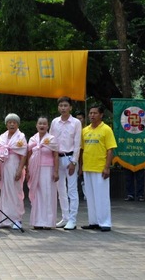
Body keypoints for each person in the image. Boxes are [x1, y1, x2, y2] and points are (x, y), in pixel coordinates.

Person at [80, 104, 117, 232]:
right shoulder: (85, 130)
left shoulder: (106, 129)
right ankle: (93, 221)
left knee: (102, 196)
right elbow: (82, 150)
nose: (92, 115)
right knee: (90, 197)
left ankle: (105, 222)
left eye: (95, 113)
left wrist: (107, 167)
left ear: (101, 115)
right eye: (90, 113)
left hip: (100, 168)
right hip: (87, 167)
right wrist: (81, 167)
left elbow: (110, 150)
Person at [49, 96, 82, 230]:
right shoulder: (55, 122)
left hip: (69, 159)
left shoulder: (76, 123)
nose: (63, 108)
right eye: (61, 105)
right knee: (60, 189)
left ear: (70, 107)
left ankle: (73, 220)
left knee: (72, 190)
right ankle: (65, 217)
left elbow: (77, 143)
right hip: (57, 158)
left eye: (65, 105)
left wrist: (74, 161)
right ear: (58, 107)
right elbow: (50, 140)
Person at [0, 113, 27, 229]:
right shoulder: (2, 136)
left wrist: (19, 170)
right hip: (4, 166)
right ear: (6, 124)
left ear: (17, 124)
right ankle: (3, 220)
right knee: (4, 192)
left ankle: (17, 219)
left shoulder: (21, 136)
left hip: (15, 165)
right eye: (9, 122)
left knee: (16, 192)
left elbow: (24, 155)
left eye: (14, 122)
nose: (12, 124)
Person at [26, 116, 59, 229]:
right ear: (36, 125)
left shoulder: (52, 139)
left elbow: (55, 155)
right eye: (40, 123)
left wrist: (56, 171)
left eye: (44, 124)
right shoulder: (32, 139)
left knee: (48, 194)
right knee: (37, 194)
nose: (42, 126)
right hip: (35, 169)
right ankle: (37, 222)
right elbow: (28, 154)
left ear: (48, 126)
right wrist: (28, 171)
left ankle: (48, 222)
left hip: (48, 169)